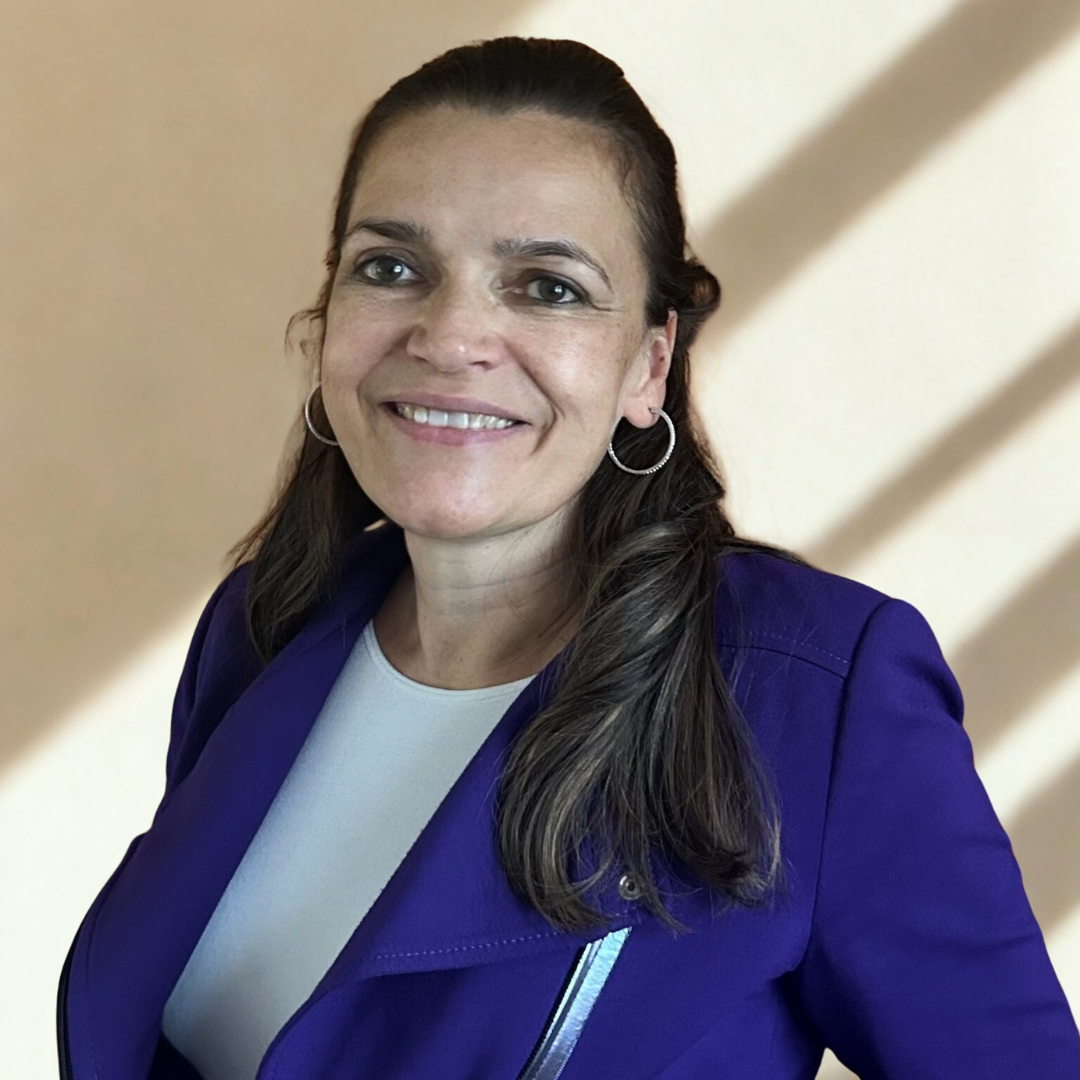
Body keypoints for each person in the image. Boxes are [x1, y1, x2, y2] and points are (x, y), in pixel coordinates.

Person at [57, 36, 1077, 1080]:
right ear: (328, 325)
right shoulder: (264, 628)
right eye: (392, 267)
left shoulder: (814, 698)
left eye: (546, 287)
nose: (450, 336)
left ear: (648, 363)